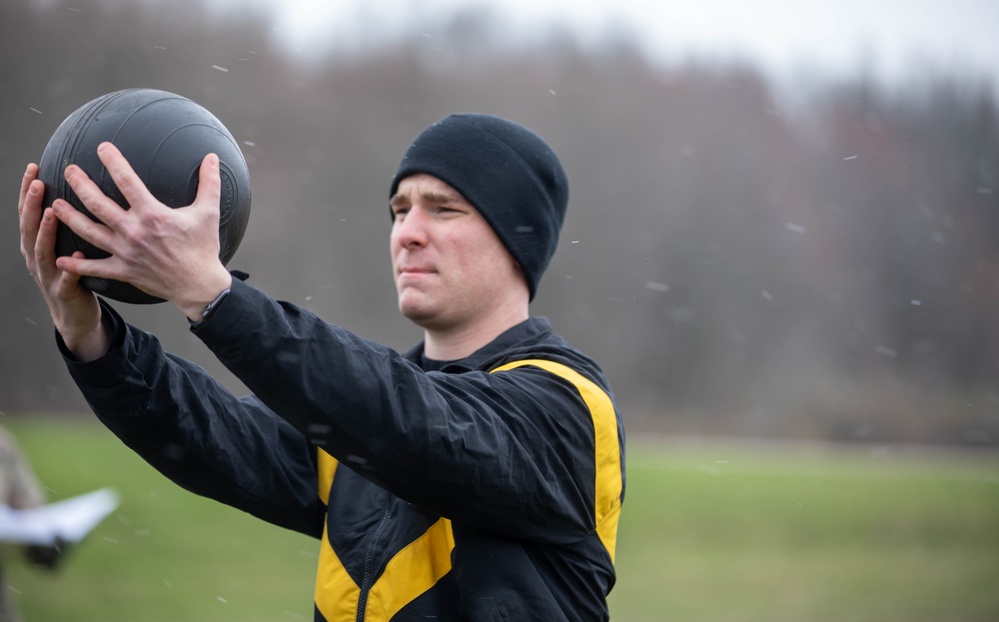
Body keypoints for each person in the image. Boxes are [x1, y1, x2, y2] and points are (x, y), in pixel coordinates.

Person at [18, 113, 625, 620]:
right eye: (398, 208)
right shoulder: (356, 426)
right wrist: (88, 332)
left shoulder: (566, 408)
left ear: (518, 239)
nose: (406, 232)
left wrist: (212, 292)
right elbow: (210, 434)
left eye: (444, 209)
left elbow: (411, 424)